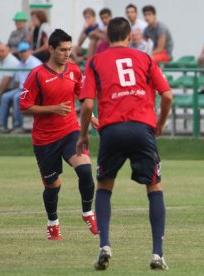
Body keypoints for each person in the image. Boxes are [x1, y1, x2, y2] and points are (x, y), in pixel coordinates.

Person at [76, 17, 173, 270]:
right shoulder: (144, 58)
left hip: (112, 130)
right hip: (143, 129)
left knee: (105, 187)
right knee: (154, 187)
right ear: (130, 36)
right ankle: (157, 254)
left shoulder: (96, 60)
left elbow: (87, 104)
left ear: (107, 38)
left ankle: (105, 245)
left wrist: (83, 134)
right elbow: (167, 95)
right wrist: (160, 123)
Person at [20, 29, 99, 240]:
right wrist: (52, 108)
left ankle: (88, 213)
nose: (67, 54)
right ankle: (53, 223)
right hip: (44, 140)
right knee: (53, 185)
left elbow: (82, 97)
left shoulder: (74, 70)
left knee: (85, 170)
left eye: (69, 49)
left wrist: (91, 117)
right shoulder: (37, 75)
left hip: (71, 132)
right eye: (62, 50)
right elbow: (24, 107)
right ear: (51, 49)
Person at [0, 42, 41, 134]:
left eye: (24, 51)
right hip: (22, 88)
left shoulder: (35, 63)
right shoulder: (20, 63)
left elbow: (39, 83)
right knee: (5, 96)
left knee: (17, 97)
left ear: (29, 51)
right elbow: (17, 82)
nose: (23, 53)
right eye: (21, 52)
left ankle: (18, 126)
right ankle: (2, 125)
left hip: (33, 90)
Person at [0, 43, 20, 133]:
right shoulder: (1, 61)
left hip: (10, 88)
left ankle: (1, 125)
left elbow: (5, 81)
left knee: (1, 97)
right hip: (3, 88)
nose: (0, 53)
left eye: (2, 51)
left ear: (8, 51)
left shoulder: (11, 61)